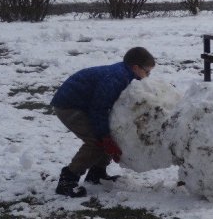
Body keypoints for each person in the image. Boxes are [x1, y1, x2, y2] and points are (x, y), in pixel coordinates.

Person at [51, 47, 156, 197]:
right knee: (96, 141)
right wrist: (104, 137)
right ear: (135, 67)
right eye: (147, 72)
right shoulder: (116, 78)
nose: (148, 76)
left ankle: (97, 173)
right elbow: (99, 109)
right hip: (69, 106)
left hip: (86, 105)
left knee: (109, 136)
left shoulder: (128, 75)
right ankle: (67, 180)